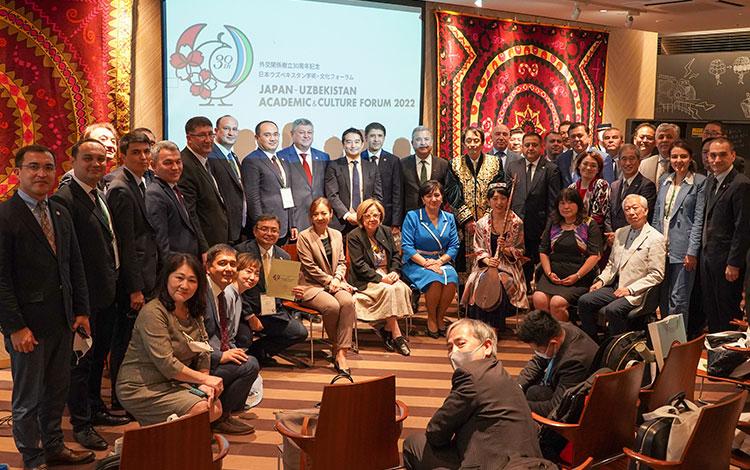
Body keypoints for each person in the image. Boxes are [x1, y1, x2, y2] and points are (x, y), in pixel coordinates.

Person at [0, 145, 95, 468]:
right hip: (28, 326)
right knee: (28, 399)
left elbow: (74, 265)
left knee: (57, 390)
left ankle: (54, 446)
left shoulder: (59, 211)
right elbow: (1, 280)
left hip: (62, 321)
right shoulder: (5, 216)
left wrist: (81, 310)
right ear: (18, 172)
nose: (41, 174)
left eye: (48, 167)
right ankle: (32, 456)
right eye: (33, 167)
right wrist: (14, 326)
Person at [51, 139, 127, 452]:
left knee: (97, 360)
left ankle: (96, 408)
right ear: (73, 160)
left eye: (101, 158)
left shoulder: (98, 193)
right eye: (88, 159)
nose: (96, 164)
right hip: (86, 299)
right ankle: (82, 424)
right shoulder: (66, 198)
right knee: (81, 365)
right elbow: (69, 257)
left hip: (105, 293)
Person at [402, 319, 542, 469]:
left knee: (414, 443)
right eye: (449, 347)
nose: (453, 353)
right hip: (525, 461)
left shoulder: (471, 375)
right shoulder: (501, 373)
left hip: (493, 464)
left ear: (487, 346)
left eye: (461, 343)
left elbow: (436, 432)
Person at [116, 253, 224, 426]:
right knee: (201, 410)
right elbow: (166, 364)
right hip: (141, 387)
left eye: (192, 280)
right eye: (179, 278)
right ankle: (160, 445)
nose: (184, 285)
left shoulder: (193, 310)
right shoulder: (153, 312)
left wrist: (204, 381)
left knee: (215, 408)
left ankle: (166, 444)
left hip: (172, 382)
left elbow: (203, 351)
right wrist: (204, 380)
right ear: (166, 278)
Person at [106, 131, 159, 410]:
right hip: (131, 283)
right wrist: (134, 288)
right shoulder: (120, 188)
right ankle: (119, 398)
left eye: (146, 151)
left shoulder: (141, 182)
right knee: (124, 342)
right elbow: (124, 244)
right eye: (136, 152)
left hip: (148, 274)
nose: (143, 157)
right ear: (123, 156)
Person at [578, 194, 665, 340]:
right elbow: (611, 264)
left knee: (613, 310)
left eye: (635, 208)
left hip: (637, 291)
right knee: (584, 301)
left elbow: (656, 274)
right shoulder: (620, 232)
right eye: (627, 209)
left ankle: (619, 348)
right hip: (615, 286)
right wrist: (601, 281)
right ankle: (592, 342)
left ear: (645, 210)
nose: (631, 212)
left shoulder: (656, 238)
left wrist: (630, 289)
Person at [234, 215, 309, 365]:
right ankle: (245, 360)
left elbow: (284, 290)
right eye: (264, 229)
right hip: (246, 311)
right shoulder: (241, 251)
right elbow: (233, 288)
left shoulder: (284, 256)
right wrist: (250, 316)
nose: (269, 233)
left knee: (299, 333)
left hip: (273, 311)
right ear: (255, 231)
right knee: (244, 338)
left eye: (274, 230)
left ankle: (257, 353)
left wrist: (294, 292)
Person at [202, 245, 258, 434]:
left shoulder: (220, 292)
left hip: (215, 351)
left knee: (247, 360)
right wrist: (220, 356)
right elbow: (194, 338)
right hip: (200, 361)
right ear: (208, 267)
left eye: (233, 264)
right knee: (250, 365)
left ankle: (222, 414)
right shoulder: (203, 294)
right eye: (222, 263)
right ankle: (218, 418)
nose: (228, 268)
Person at [297, 198, 357, 373]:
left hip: (335, 283)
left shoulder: (337, 234)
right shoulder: (304, 236)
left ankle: (341, 352)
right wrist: (330, 281)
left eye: (324, 213)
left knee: (347, 302)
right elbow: (310, 267)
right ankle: (337, 346)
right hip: (310, 285)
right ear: (310, 217)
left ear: (331, 214)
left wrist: (337, 279)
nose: (320, 217)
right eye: (315, 214)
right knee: (331, 306)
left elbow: (341, 262)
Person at [347, 199, 413, 356]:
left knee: (401, 288)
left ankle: (387, 329)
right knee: (390, 290)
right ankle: (397, 336)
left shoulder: (386, 231)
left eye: (375, 215)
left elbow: (396, 255)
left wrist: (395, 272)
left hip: (388, 274)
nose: (372, 219)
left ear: (381, 216)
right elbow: (359, 265)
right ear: (361, 217)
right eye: (368, 215)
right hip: (366, 279)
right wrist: (380, 278)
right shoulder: (354, 236)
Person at [461, 183, 528, 330]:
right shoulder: (482, 223)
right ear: (489, 201)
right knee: (477, 281)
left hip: (507, 266)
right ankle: (479, 326)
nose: (499, 202)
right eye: (495, 198)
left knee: (501, 281)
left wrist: (506, 249)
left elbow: (520, 250)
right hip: (486, 264)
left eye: (503, 198)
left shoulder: (516, 223)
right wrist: (486, 259)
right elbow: (478, 248)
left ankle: (495, 327)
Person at [652, 140, 706, 320]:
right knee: (662, 297)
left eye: (683, 156)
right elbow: (657, 215)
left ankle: (678, 345)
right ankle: (665, 343)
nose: (678, 160)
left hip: (683, 249)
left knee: (679, 299)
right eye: (674, 156)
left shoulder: (699, 182)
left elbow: (699, 220)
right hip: (661, 247)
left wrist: (692, 251)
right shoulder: (664, 180)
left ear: (690, 159)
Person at [701, 138, 750, 332]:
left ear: (733, 156)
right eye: (713, 155)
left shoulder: (741, 184)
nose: (716, 159)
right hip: (708, 258)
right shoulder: (710, 181)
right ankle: (715, 354)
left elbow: (743, 228)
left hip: (727, 263)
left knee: (727, 313)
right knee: (712, 310)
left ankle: (729, 358)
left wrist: (734, 263)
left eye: (722, 154)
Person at [446, 127, 503, 288]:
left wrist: (485, 220)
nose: (472, 144)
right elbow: (452, 193)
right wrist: (468, 220)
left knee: (488, 257)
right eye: (469, 141)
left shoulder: (495, 162)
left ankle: (487, 298)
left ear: (483, 143)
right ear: (464, 143)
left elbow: (498, 190)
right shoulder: (455, 164)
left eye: (476, 140)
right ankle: (465, 298)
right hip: (463, 224)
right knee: (463, 260)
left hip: (489, 222)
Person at [534, 188, 602, 322]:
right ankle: (546, 338)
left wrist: (576, 276)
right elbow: (543, 250)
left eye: (570, 202)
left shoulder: (589, 224)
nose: (566, 207)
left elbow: (595, 255)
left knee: (556, 303)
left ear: (578, 204)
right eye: (562, 203)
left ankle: (563, 338)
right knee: (538, 299)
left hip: (579, 277)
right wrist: (548, 273)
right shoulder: (553, 223)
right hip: (552, 275)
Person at [402, 181, 460, 338]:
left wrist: (440, 262)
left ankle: (440, 317)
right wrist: (427, 263)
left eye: (437, 195)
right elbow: (407, 246)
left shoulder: (449, 218)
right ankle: (432, 318)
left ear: (442, 197)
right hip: (417, 262)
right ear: (422, 199)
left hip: (441, 260)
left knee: (452, 278)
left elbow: (454, 246)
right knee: (435, 280)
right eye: (428, 196)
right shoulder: (412, 216)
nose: (433, 199)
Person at [505, 132, 562, 286]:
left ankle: (538, 294)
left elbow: (554, 203)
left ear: (541, 147)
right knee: (520, 261)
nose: (530, 148)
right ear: (522, 147)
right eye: (527, 145)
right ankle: (521, 292)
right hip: (517, 224)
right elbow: (508, 197)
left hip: (540, 225)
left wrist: (549, 227)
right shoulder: (513, 167)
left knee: (538, 263)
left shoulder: (551, 169)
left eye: (534, 145)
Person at [517, 310, 598, 417]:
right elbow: (538, 360)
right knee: (527, 390)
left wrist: (517, 405)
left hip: (581, 404)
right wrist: (518, 385)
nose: (536, 353)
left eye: (537, 350)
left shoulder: (574, 362)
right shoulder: (558, 329)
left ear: (553, 344)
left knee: (531, 395)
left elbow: (556, 407)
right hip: (560, 382)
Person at [178, 116, 230, 254]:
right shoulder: (185, 165)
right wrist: (204, 248)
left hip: (218, 242)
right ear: (189, 138)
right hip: (204, 247)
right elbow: (190, 213)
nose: (208, 140)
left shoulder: (206, 161)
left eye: (210, 134)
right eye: (202, 135)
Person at [243, 120, 296, 244]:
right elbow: (253, 198)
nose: (273, 138)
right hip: (266, 229)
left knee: (282, 262)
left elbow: (288, 193)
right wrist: (261, 227)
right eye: (267, 135)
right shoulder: (251, 161)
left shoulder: (282, 160)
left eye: (276, 134)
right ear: (257, 138)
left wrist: (292, 224)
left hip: (284, 226)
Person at [145, 140, 200, 259]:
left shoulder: (175, 188)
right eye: (168, 163)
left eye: (178, 162)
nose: (175, 167)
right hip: (174, 266)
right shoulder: (155, 193)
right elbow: (160, 241)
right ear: (153, 165)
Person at [325, 127, 383, 233]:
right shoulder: (334, 166)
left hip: (367, 222)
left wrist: (366, 215)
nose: (353, 146)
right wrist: (347, 215)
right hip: (341, 223)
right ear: (343, 145)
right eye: (349, 142)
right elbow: (332, 195)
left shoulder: (372, 167)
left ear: (362, 144)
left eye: (357, 142)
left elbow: (377, 196)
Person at [278, 118, 330, 232]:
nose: (306, 136)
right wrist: (291, 223)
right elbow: (285, 191)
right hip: (297, 218)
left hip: (320, 217)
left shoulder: (323, 157)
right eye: (302, 132)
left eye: (309, 132)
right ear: (292, 134)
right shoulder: (281, 157)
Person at [208, 115, 246, 244]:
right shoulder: (210, 155)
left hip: (238, 226)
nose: (231, 133)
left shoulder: (233, 156)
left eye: (234, 129)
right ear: (216, 131)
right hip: (222, 227)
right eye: (226, 129)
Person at [606, 144, 657, 235]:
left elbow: (642, 217)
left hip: (633, 237)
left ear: (639, 161)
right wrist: (610, 233)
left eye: (632, 158)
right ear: (619, 162)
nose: (628, 163)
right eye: (624, 159)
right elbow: (608, 214)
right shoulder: (614, 185)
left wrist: (620, 235)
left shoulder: (647, 185)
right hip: (612, 238)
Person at [362, 122, 403, 231]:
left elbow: (397, 192)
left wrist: (396, 221)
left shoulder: (393, 160)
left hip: (387, 217)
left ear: (384, 138)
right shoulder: (359, 158)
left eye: (380, 136)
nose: (376, 139)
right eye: (372, 136)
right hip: (363, 215)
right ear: (366, 138)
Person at [400, 126, 449, 216]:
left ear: (432, 141)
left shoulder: (443, 164)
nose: (423, 143)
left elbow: (446, 192)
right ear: (412, 143)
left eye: (426, 139)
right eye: (418, 140)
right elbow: (399, 195)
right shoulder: (402, 164)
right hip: (411, 216)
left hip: (436, 215)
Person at [570, 150, 610, 232]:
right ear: (579, 166)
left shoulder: (602, 185)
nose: (588, 168)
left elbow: (598, 216)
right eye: (585, 164)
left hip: (593, 233)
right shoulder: (572, 188)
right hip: (571, 231)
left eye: (593, 165)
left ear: (598, 169)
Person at [556, 122, 591, 187]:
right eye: (573, 136)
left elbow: (606, 188)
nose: (576, 139)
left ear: (589, 137)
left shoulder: (602, 157)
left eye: (580, 136)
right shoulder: (562, 158)